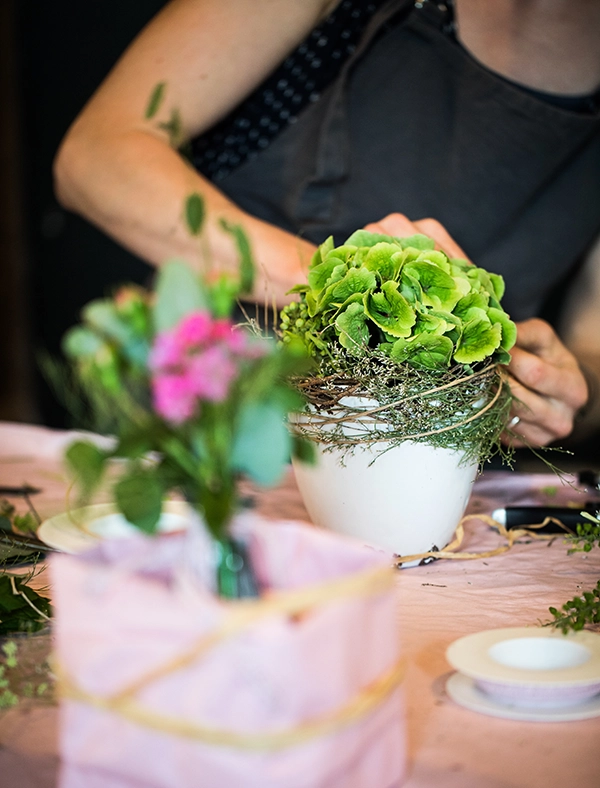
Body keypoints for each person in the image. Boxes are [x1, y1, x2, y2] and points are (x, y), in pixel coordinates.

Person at [53, 0, 600, 450]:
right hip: (203, 442)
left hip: (429, 484)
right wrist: (348, 283)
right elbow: (95, 155)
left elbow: (590, 351)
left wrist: (558, 393)